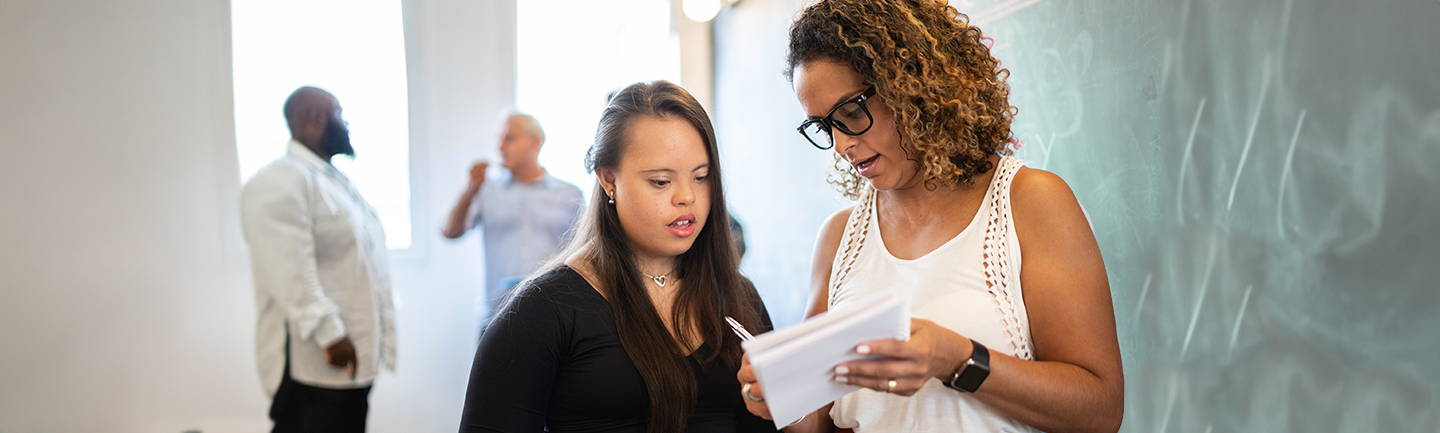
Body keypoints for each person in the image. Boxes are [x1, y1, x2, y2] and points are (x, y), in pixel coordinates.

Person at [737, 1, 1125, 432]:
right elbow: (817, 420)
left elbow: (1099, 410)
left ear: (914, 88)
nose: (842, 144)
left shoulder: (1030, 204)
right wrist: (776, 395)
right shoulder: (839, 238)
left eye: (851, 114)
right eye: (824, 127)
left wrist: (959, 360)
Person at [458, 81, 777, 433]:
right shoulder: (541, 313)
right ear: (609, 179)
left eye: (701, 177)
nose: (687, 197)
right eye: (660, 182)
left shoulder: (739, 297)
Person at [240, 86, 397, 433]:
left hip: (350, 365)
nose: (347, 123)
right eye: (340, 113)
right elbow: (288, 271)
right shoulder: (280, 181)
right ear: (316, 116)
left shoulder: (333, 181)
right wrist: (330, 335)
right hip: (314, 368)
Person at [441, 111, 584, 325]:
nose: (500, 147)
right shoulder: (486, 189)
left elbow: (583, 254)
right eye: (499, 139)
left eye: (509, 138)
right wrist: (469, 191)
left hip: (553, 317)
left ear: (535, 142)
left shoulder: (569, 195)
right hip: (495, 316)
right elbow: (450, 232)